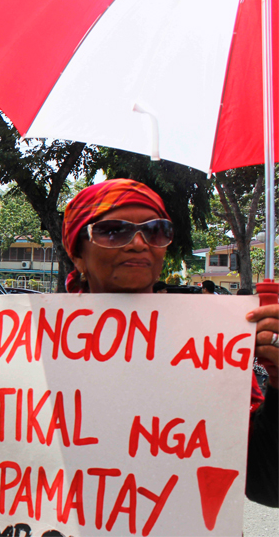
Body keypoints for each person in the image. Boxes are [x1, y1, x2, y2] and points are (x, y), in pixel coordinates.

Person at [63, 178, 278, 507]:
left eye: (156, 230)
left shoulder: (208, 345)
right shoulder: (24, 347)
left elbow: (268, 486)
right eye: (113, 230)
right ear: (78, 254)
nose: (138, 243)